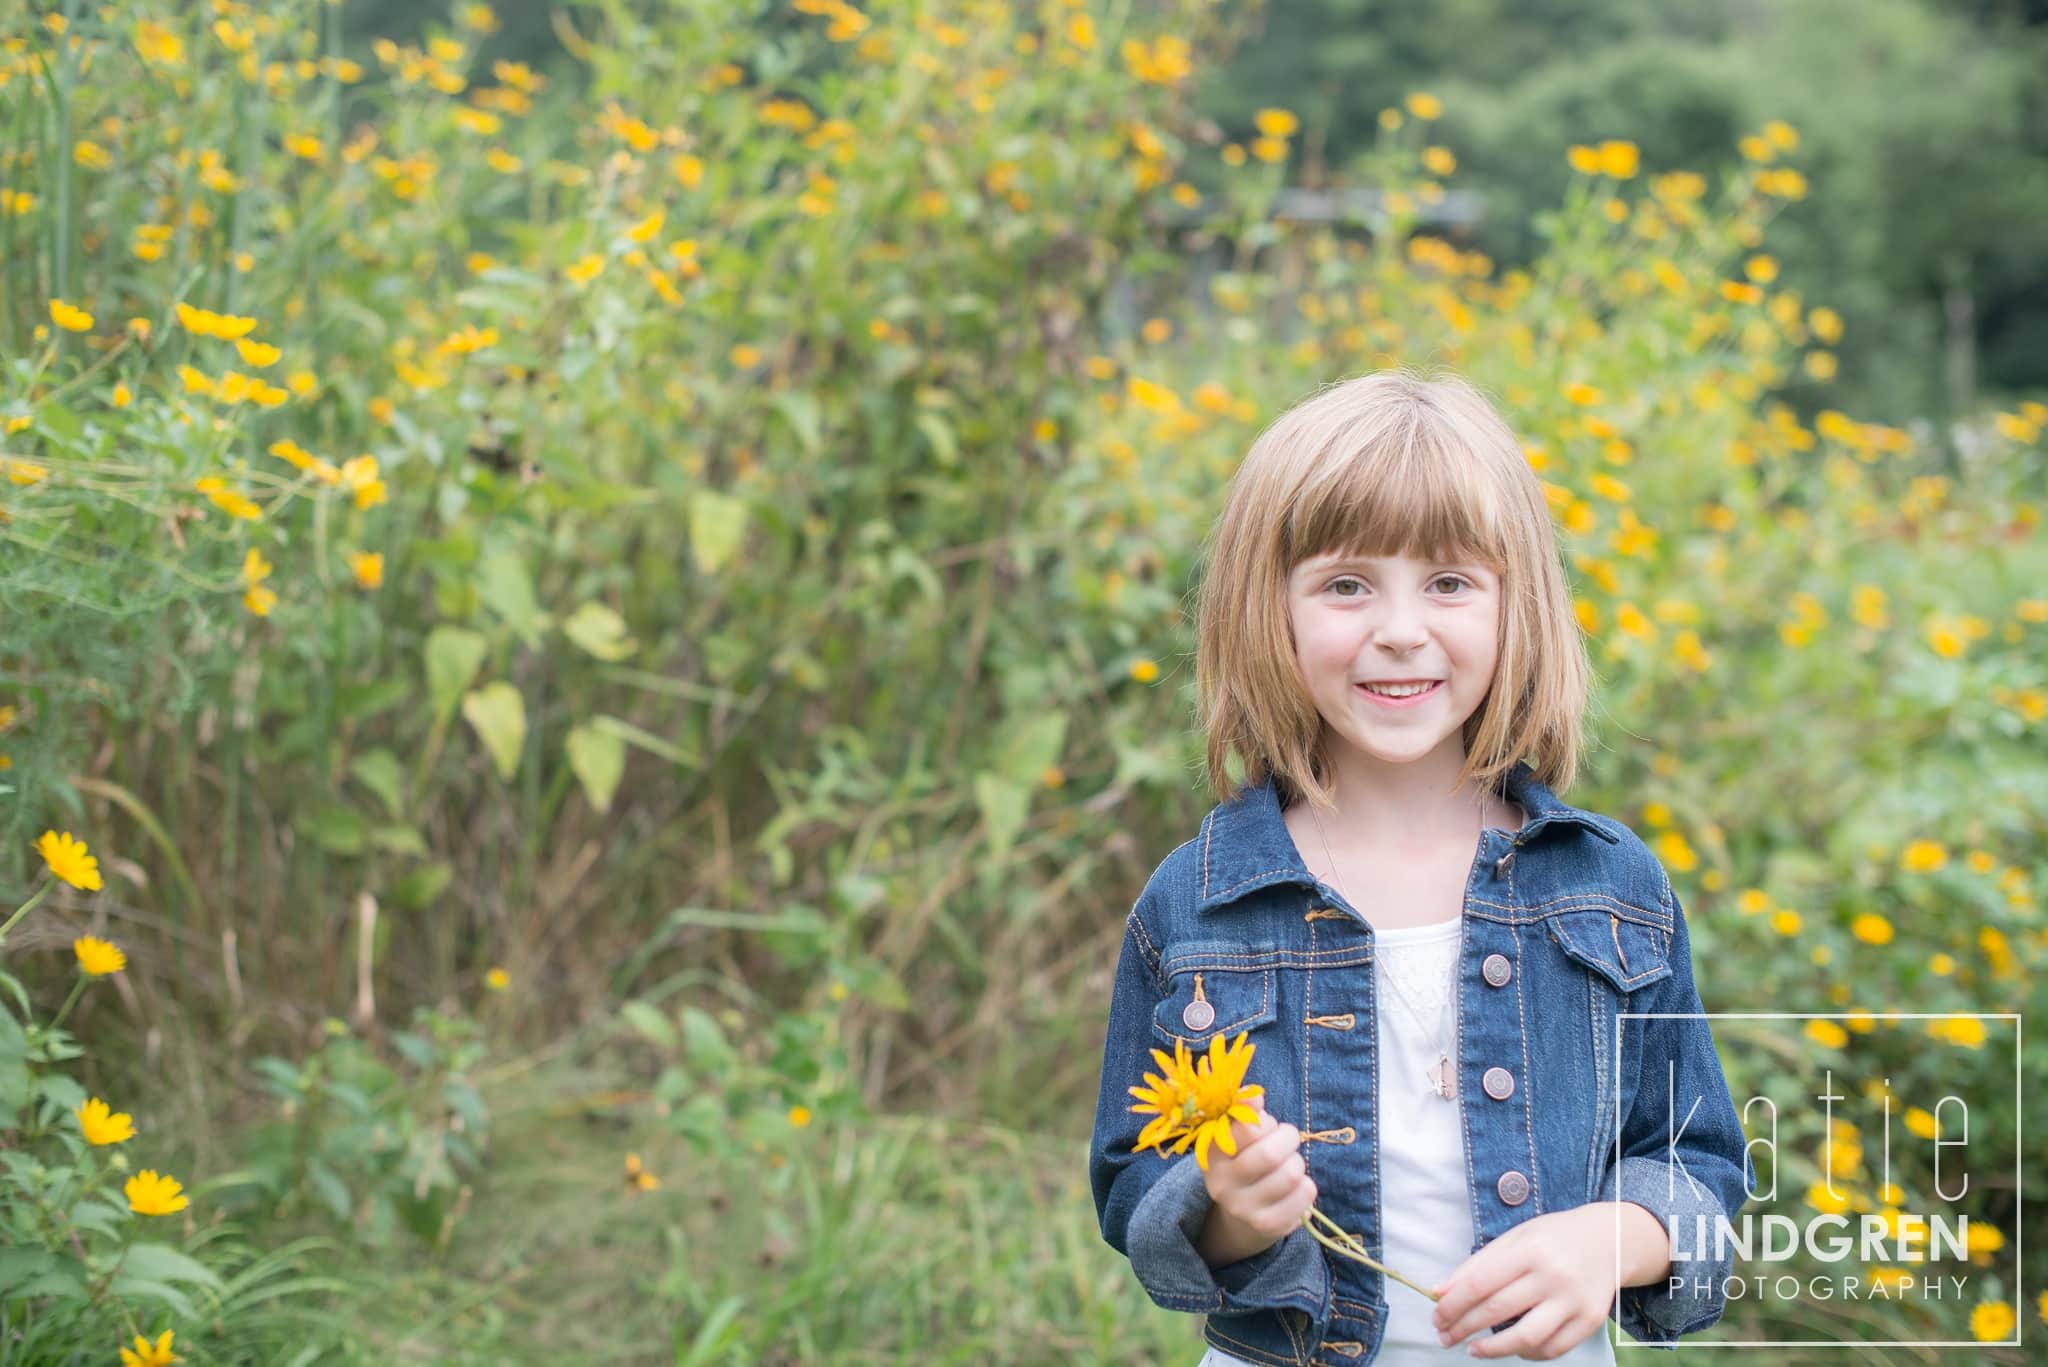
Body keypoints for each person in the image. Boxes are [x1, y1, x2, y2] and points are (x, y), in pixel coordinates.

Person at [1087, 369, 1753, 1365]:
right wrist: (1228, 1208)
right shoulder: (1195, 902)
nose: (1398, 627)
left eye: (1447, 582)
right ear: (1266, 608)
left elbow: (1699, 1168)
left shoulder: (1608, 886)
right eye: (1345, 582)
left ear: (1511, 605)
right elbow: (1136, 1192)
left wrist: (1609, 1238)